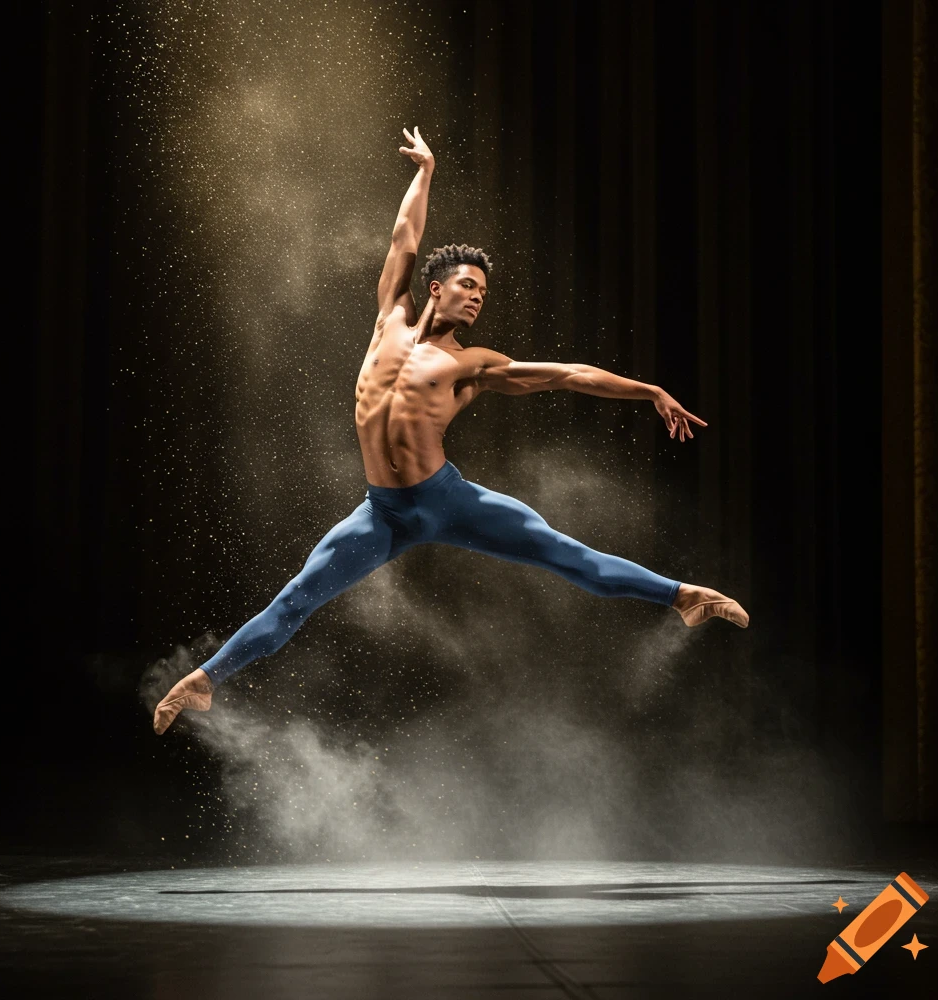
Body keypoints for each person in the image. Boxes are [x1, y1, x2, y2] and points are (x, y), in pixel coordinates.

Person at [153, 126, 748, 736]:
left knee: (566, 556)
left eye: (483, 293)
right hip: (381, 514)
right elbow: (404, 237)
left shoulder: (471, 364)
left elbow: (567, 374)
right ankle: (204, 682)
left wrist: (647, 390)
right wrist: (426, 172)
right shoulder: (390, 317)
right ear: (435, 288)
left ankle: (683, 596)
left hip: (447, 500)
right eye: (469, 285)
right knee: (297, 598)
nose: (477, 298)